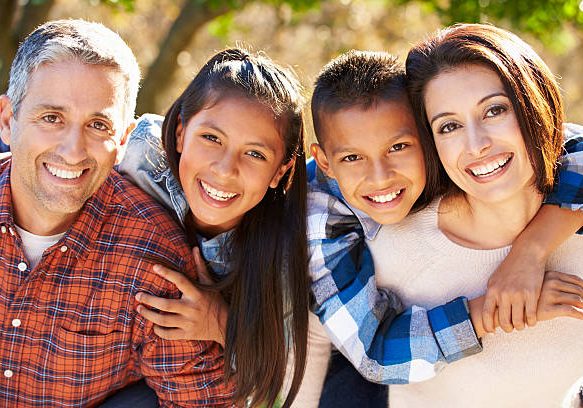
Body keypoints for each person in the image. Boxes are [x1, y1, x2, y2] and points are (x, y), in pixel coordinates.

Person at [296, 48, 583, 407]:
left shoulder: (455, 164)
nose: (380, 176)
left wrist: (530, 251)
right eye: (352, 157)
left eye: (398, 146)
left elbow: (573, 145)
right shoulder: (321, 215)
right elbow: (376, 351)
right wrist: (496, 308)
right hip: (346, 346)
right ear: (325, 162)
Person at [0, 19, 232, 406]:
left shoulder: (153, 259)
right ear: (8, 121)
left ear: (123, 140)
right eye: (51, 118)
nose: (72, 150)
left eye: (97, 125)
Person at [116, 48, 310, 407]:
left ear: (280, 171)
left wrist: (220, 321)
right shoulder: (139, 153)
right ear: (179, 134)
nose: (224, 169)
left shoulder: (279, 252)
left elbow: (274, 377)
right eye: (211, 138)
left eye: (255, 154)